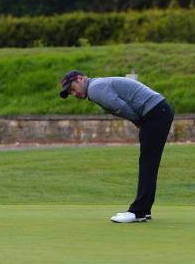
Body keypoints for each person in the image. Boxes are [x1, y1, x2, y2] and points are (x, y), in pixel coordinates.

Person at [59, 71, 174, 223]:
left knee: (148, 162)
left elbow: (119, 106)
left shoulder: (94, 89)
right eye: (70, 93)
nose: (74, 93)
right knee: (149, 162)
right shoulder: (98, 84)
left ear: (80, 78)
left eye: (73, 88)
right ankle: (144, 210)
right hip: (159, 110)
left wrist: (138, 121)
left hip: (155, 112)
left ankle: (138, 211)